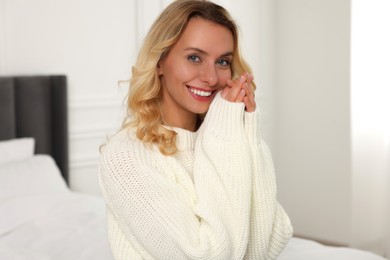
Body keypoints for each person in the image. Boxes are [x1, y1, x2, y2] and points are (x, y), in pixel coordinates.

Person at [99, 0, 293, 259]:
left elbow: (268, 244)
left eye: (223, 62)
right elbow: (205, 256)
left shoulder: (225, 138)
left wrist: (245, 130)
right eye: (194, 57)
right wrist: (225, 135)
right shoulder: (126, 156)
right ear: (159, 61)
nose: (212, 78)